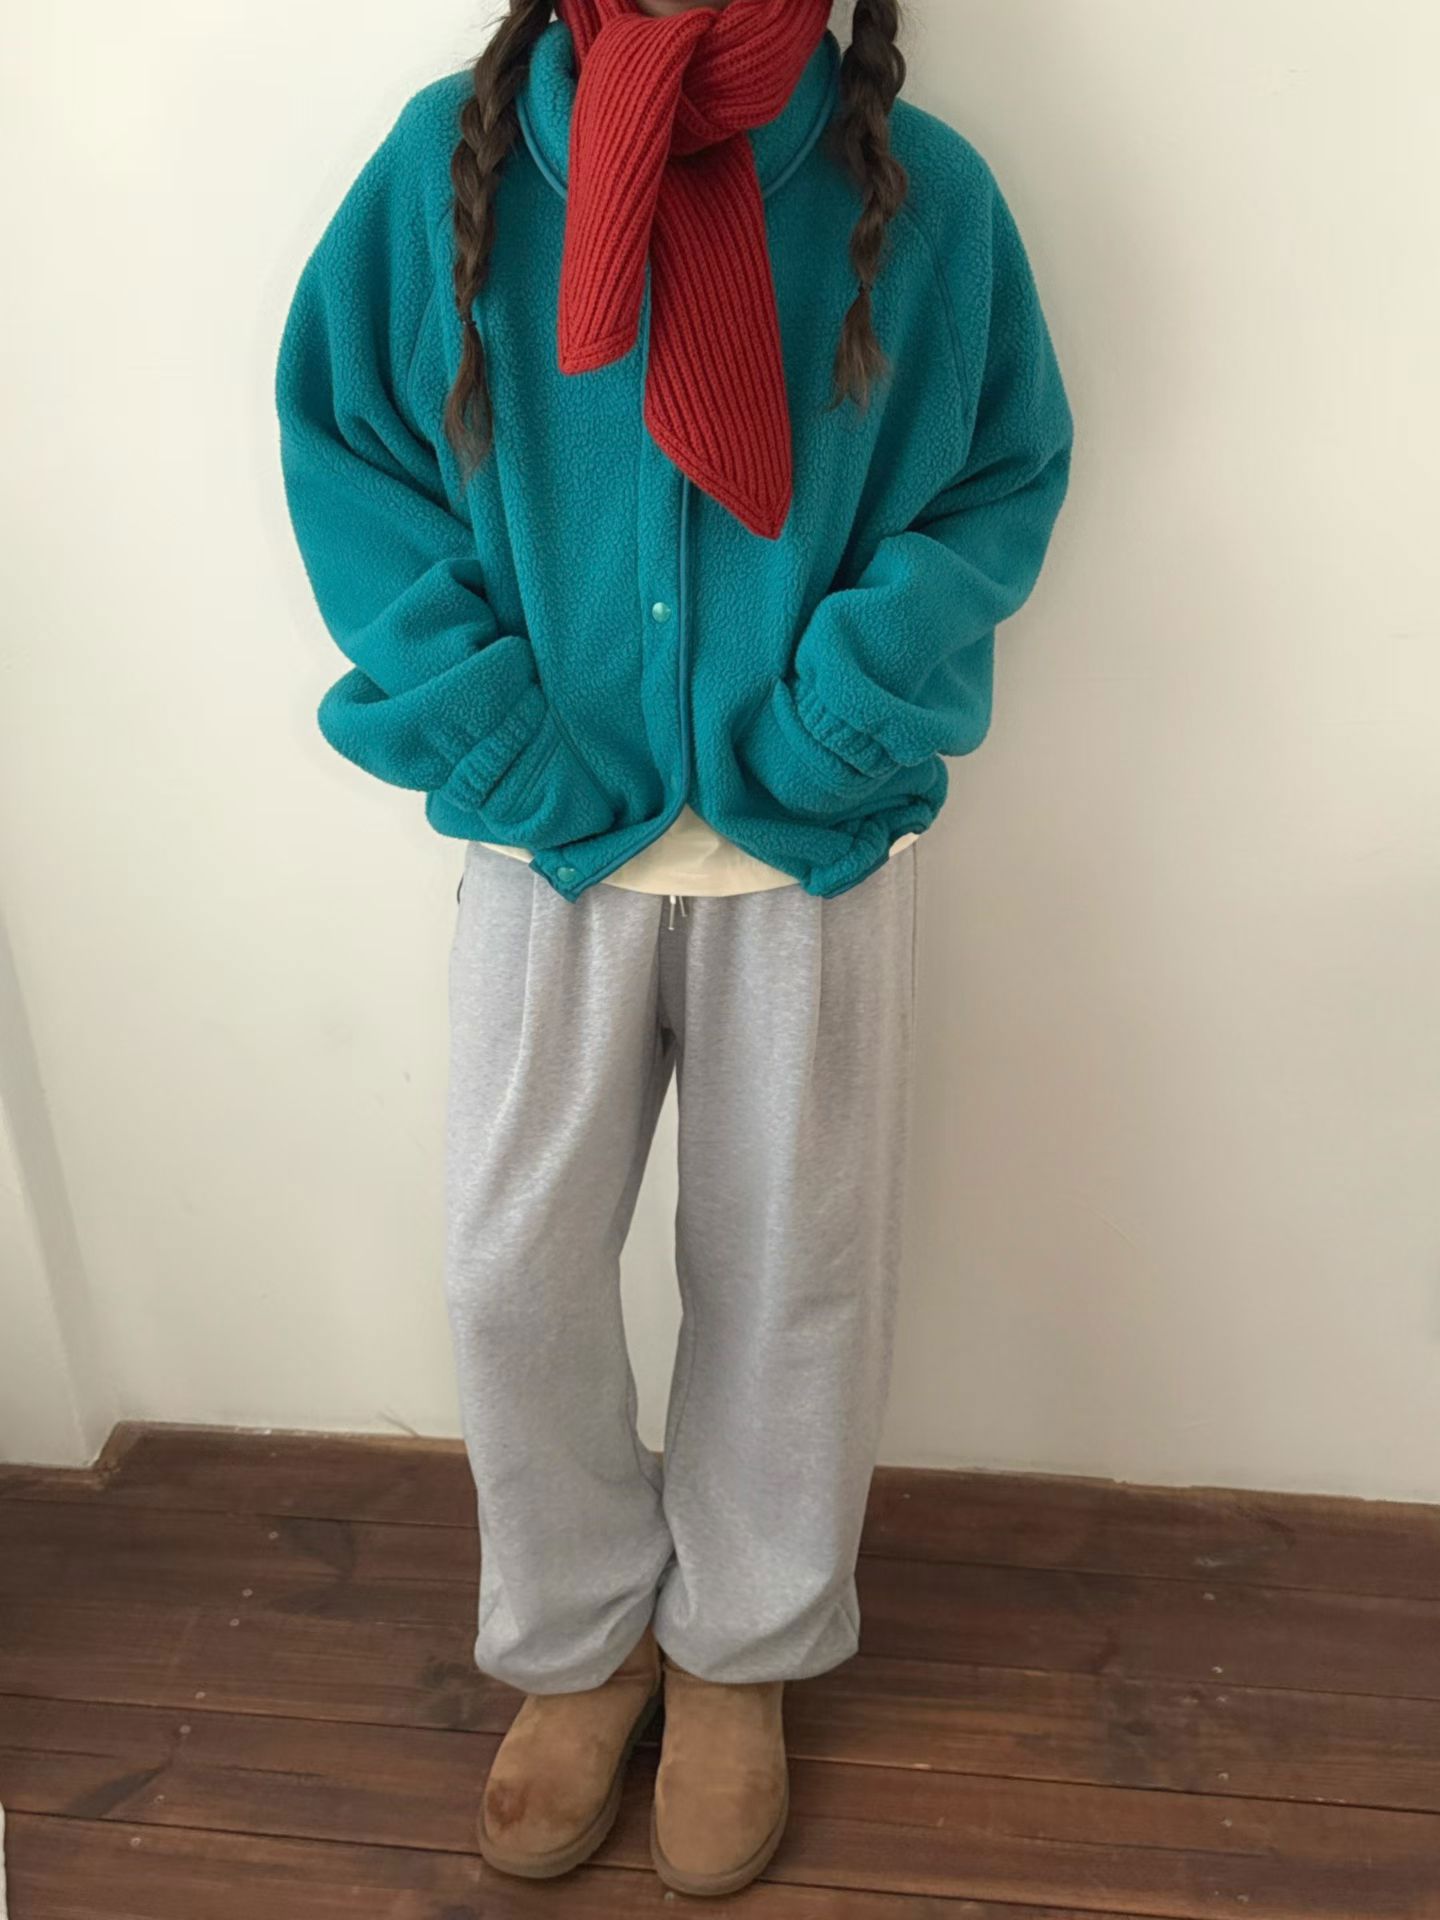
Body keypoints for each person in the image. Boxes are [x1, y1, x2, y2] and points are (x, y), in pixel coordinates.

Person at [277, 0, 1071, 1896]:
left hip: (809, 850)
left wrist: (841, 721)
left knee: (796, 1278)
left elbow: (998, 477)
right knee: (511, 1274)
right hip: (552, 841)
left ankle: (739, 1651)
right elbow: (350, 456)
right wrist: (494, 734)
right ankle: (580, 1643)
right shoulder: (449, 173)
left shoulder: (924, 194)